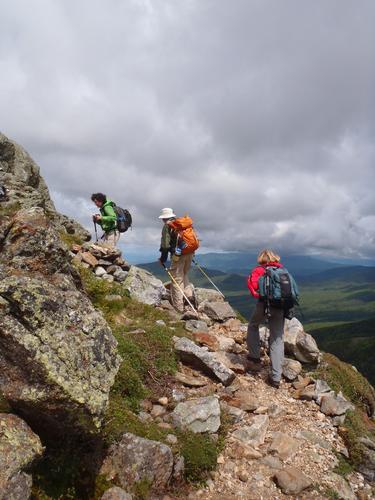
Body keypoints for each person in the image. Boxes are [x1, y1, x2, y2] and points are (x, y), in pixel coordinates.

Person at [247, 249, 286, 389]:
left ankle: (254, 358)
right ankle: (276, 377)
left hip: (264, 305)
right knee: (277, 338)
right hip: (282, 307)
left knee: (253, 326)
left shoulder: (258, 270)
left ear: (261, 259)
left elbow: (253, 289)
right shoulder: (282, 271)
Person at [158, 207, 195, 314]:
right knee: (184, 274)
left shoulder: (167, 226)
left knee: (176, 280)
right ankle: (190, 297)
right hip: (190, 252)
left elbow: (165, 245)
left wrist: (163, 259)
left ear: (164, 218)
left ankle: (179, 308)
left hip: (178, 255)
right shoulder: (183, 223)